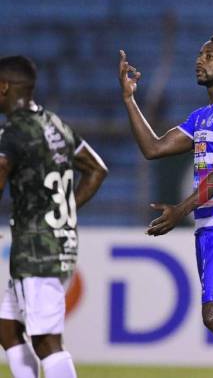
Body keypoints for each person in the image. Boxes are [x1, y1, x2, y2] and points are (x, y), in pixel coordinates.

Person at [118, 34, 213, 378]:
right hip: (210, 227)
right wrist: (130, 100)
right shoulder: (203, 116)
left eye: (210, 55)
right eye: (200, 54)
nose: (200, 60)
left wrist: (180, 210)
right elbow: (154, 148)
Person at [0, 55, 108, 378]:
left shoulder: (14, 132)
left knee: (47, 341)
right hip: (56, 242)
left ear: (4, 87)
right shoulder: (56, 125)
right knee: (7, 327)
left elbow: (2, 170)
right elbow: (96, 170)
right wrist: (63, 212)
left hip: (36, 249)